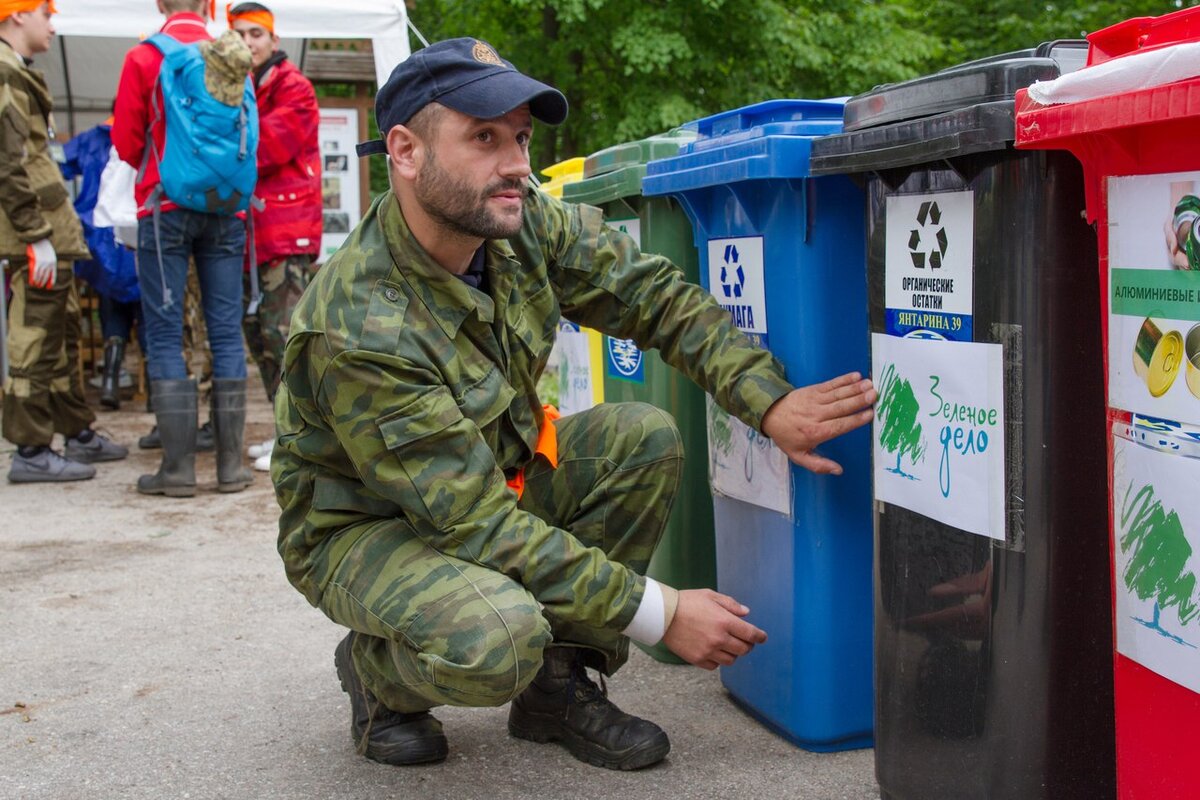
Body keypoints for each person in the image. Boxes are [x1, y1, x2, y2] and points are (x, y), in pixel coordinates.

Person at [272, 38, 876, 771]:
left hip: (484, 485)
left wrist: (768, 401)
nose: (517, 165)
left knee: (642, 440)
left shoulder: (517, 220)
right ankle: (375, 675)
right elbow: (474, 527)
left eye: (522, 138)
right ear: (404, 151)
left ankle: (557, 686)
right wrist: (662, 613)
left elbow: (652, 296)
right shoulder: (362, 324)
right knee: (497, 638)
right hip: (362, 530)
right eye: (485, 138)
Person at [113, 0, 254, 497]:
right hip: (227, 209)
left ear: (160, 4)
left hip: (163, 205)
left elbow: (127, 140)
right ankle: (231, 468)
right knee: (225, 329)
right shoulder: (231, 53)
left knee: (166, 333)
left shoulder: (144, 57)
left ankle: (177, 471)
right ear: (209, 4)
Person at [1, 0, 128, 484]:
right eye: (45, 15)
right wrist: (35, 236)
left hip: (53, 227)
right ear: (17, 15)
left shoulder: (18, 71)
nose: (52, 26)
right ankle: (31, 448)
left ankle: (75, 431)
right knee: (34, 338)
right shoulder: (5, 72)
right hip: (36, 231)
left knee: (61, 333)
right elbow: (8, 164)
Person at [227, 2, 322, 471]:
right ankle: (285, 434)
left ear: (272, 40)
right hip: (252, 236)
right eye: (239, 34)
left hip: (285, 234)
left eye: (255, 34)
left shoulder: (294, 88)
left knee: (286, 337)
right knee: (259, 337)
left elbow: (266, 146)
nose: (247, 42)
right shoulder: (245, 87)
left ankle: (302, 440)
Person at [60, 116, 146, 411]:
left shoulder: (94, 139)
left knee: (112, 305)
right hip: (144, 230)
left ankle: (110, 380)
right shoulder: (153, 132)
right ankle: (155, 393)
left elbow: (58, 163)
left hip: (104, 238)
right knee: (149, 309)